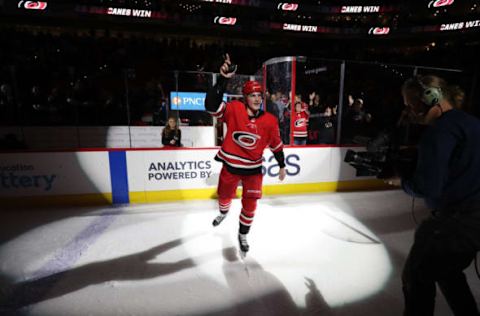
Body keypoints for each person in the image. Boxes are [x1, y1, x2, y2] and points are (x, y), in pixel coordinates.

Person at [387, 75, 480, 316]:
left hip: (456, 220)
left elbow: (428, 187)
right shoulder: (471, 123)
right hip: (474, 220)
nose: (410, 111)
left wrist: (403, 181)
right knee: (447, 272)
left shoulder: (439, 131)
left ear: (432, 97)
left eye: (411, 104)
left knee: (416, 275)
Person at [204, 53, 286, 255]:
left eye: (259, 95)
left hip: (253, 171)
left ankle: (243, 234)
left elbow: (276, 145)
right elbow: (211, 106)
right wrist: (224, 79)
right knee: (224, 197)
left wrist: (282, 165)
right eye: (253, 95)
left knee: (250, 206)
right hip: (230, 167)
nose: (257, 99)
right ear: (245, 98)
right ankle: (223, 213)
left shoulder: (269, 120)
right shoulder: (234, 109)